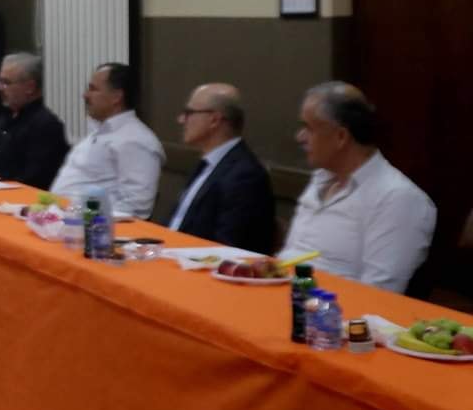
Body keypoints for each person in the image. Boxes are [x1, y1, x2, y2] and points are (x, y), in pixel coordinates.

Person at [286, 81, 436, 293]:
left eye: (309, 128)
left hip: (325, 308)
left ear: (341, 137)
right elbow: (291, 254)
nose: (300, 137)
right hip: (281, 292)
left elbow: (378, 294)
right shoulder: (321, 178)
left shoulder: (398, 199)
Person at [165, 83, 277, 255]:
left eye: (189, 113)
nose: (181, 120)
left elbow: (228, 248)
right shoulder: (206, 164)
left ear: (214, 120)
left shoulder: (245, 175)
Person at [52, 62, 165, 219]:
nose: (85, 95)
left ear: (116, 97)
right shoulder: (99, 132)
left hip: (92, 227)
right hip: (62, 220)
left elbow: (135, 207)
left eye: (93, 89)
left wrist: (85, 219)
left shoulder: (136, 140)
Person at [0, 53, 68, 190]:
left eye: (6, 83)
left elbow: (32, 179)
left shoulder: (45, 125)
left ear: (30, 87)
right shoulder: (2, 119)